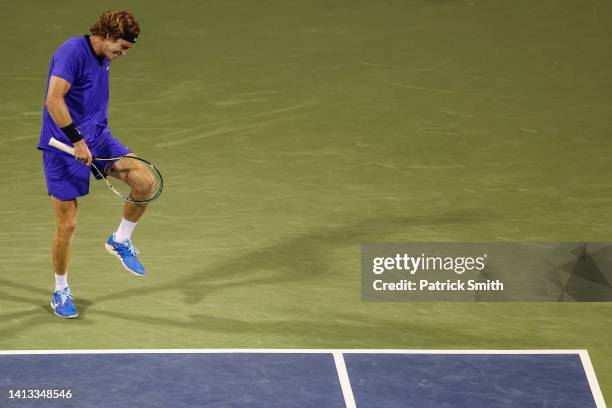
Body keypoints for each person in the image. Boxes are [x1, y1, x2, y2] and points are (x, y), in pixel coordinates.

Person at [38, 10, 146, 318]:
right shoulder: (71, 52)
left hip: (98, 138)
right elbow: (53, 100)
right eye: (122, 48)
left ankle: (120, 240)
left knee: (145, 182)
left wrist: (89, 138)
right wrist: (76, 140)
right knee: (67, 225)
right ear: (110, 36)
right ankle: (60, 291)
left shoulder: (104, 55)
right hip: (63, 147)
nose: (122, 55)